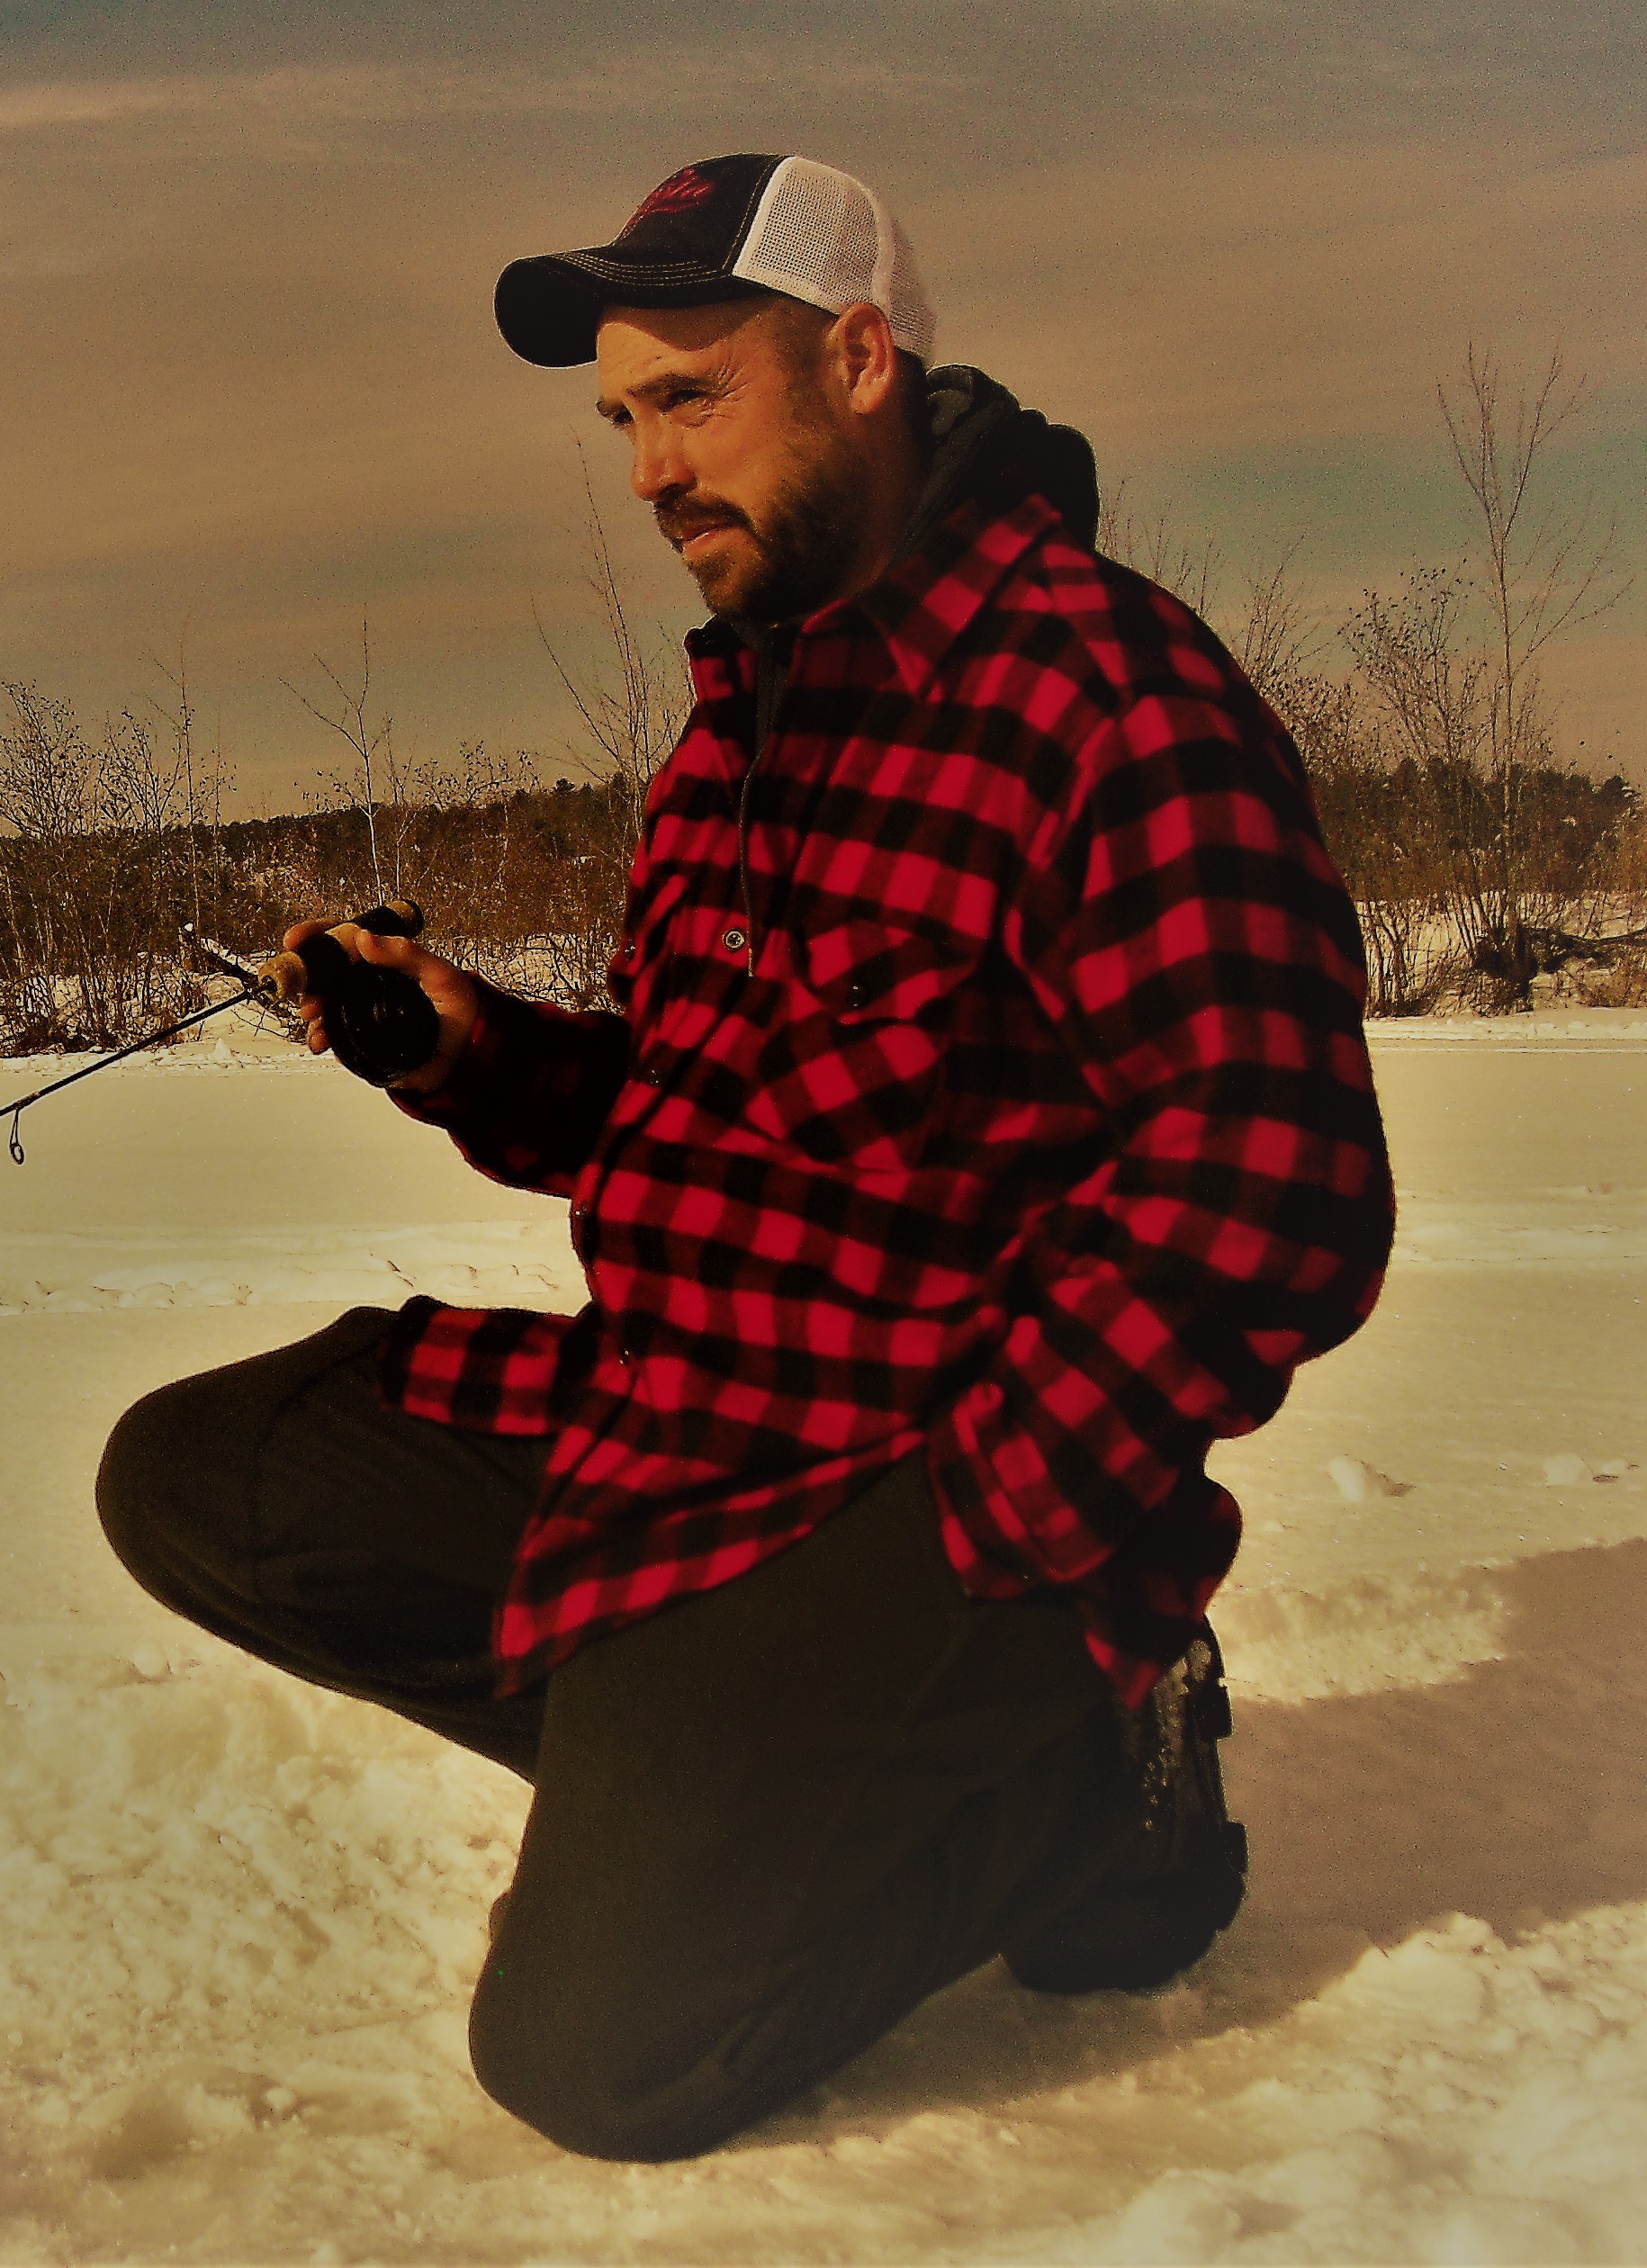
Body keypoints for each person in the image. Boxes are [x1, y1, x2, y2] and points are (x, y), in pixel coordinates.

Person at [100, 154, 1394, 2161]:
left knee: (597, 2059)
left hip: (925, 1483)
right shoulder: (743, 729)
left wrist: (974, 1520)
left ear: (858, 357)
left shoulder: (1104, 697)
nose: (642, 469)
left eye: (688, 396)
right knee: (206, 1478)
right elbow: (715, 1125)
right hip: (687, 1432)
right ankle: (718, 1770)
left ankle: (1087, 1777)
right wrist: (468, 1054)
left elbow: (1267, 1190)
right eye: (617, 418)